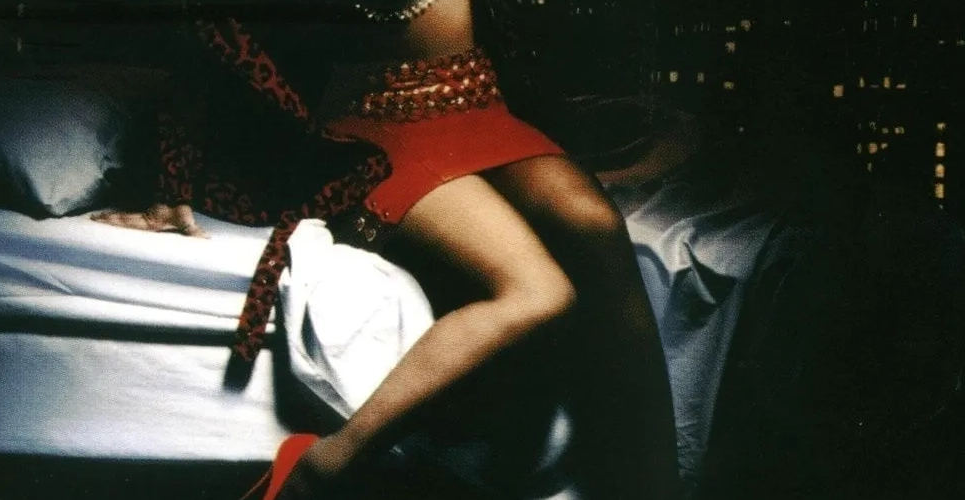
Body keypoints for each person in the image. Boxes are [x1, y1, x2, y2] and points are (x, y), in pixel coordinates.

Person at [92, 1, 680, 498]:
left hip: (480, 106)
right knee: (539, 292)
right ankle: (323, 467)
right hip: (380, 132)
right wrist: (169, 191)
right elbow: (204, 46)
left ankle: (653, 486)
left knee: (596, 225)